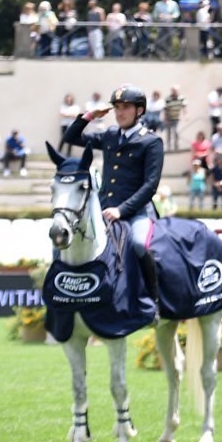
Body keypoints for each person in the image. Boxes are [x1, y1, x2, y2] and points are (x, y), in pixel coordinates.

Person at [63, 85, 165, 300]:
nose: (119, 112)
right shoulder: (110, 135)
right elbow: (71, 137)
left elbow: (151, 185)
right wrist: (90, 116)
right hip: (104, 209)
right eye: (117, 107)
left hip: (136, 211)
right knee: (71, 239)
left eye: (126, 107)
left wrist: (121, 210)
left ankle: (153, 300)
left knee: (138, 244)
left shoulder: (151, 142)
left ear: (139, 111)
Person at [162, 86, 185, 150]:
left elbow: (184, 107)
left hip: (176, 118)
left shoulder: (181, 98)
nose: (175, 92)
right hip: (169, 118)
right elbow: (165, 109)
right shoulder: (167, 98)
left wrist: (185, 115)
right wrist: (165, 118)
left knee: (176, 131)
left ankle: (176, 146)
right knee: (168, 133)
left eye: (176, 91)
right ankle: (169, 147)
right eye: (173, 90)